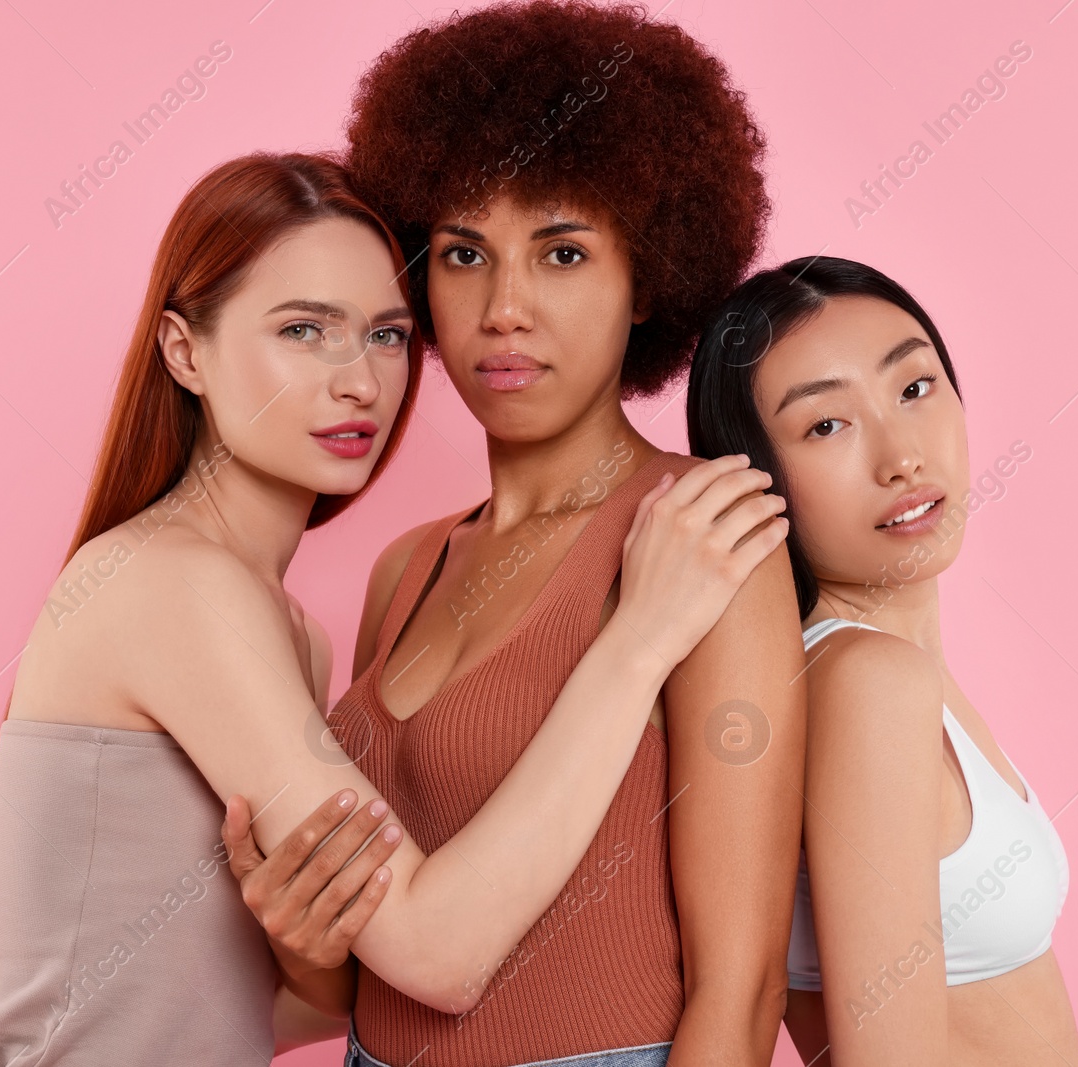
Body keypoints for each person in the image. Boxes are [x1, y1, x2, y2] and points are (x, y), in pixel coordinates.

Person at [0, 150, 788, 1067]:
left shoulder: (295, 630)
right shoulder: (178, 585)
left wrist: (306, 947)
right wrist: (638, 639)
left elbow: (236, 1001)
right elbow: (434, 955)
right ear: (185, 351)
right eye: (304, 331)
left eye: (384, 334)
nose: (359, 382)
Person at [223, 5, 810, 1066]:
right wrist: (302, 935)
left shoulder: (703, 537)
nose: (503, 306)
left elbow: (742, 982)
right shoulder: (408, 568)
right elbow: (380, 953)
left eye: (563, 251)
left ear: (648, 280)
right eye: (463, 253)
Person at [686, 255, 1078, 1066]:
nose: (901, 455)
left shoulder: (880, 666)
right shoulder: (867, 681)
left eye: (913, 387)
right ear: (758, 476)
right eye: (826, 425)